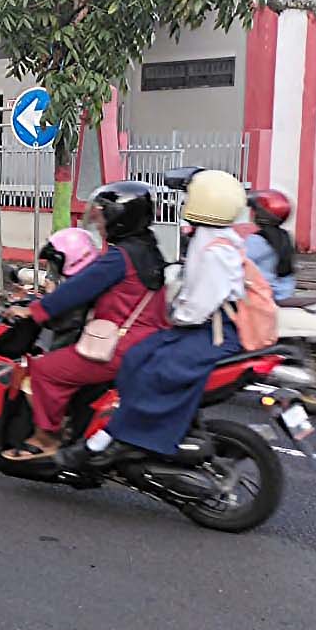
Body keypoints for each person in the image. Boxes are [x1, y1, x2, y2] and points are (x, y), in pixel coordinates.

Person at [66, 170, 249, 466]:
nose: (186, 203)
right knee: (137, 356)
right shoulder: (212, 236)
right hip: (206, 326)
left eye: (191, 197)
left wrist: (176, 315)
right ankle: (122, 428)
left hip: (214, 332)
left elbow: (199, 306)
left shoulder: (213, 248)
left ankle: (124, 439)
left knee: (156, 371)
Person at [0, 182, 169, 460]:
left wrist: (34, 311)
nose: (98, 222)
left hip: (121, 346)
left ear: (119, 218)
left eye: (102, 216)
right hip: (149, 340)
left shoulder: (119, 257)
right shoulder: (148, 248)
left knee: (46, 370)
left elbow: (77, 289)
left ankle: (46, 439)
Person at [244, 188, 295, 302]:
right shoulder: (284, 236)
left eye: (256, 210)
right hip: (283, 293)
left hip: (262, 297)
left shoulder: (257, 240)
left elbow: (237, 263)